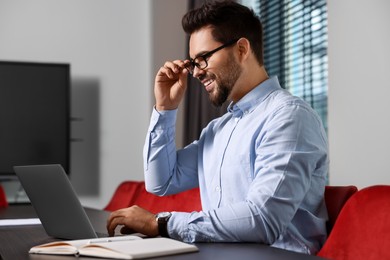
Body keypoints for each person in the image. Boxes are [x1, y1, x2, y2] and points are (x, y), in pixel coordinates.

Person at [107, 0, 329, 255]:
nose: (196, 73)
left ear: (242, 49)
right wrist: (165, 108)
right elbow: (160, 182)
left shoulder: (289, 117)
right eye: (192, 63)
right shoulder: (217, 130)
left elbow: (263, 220)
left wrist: (161, 223)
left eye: (202, 59)